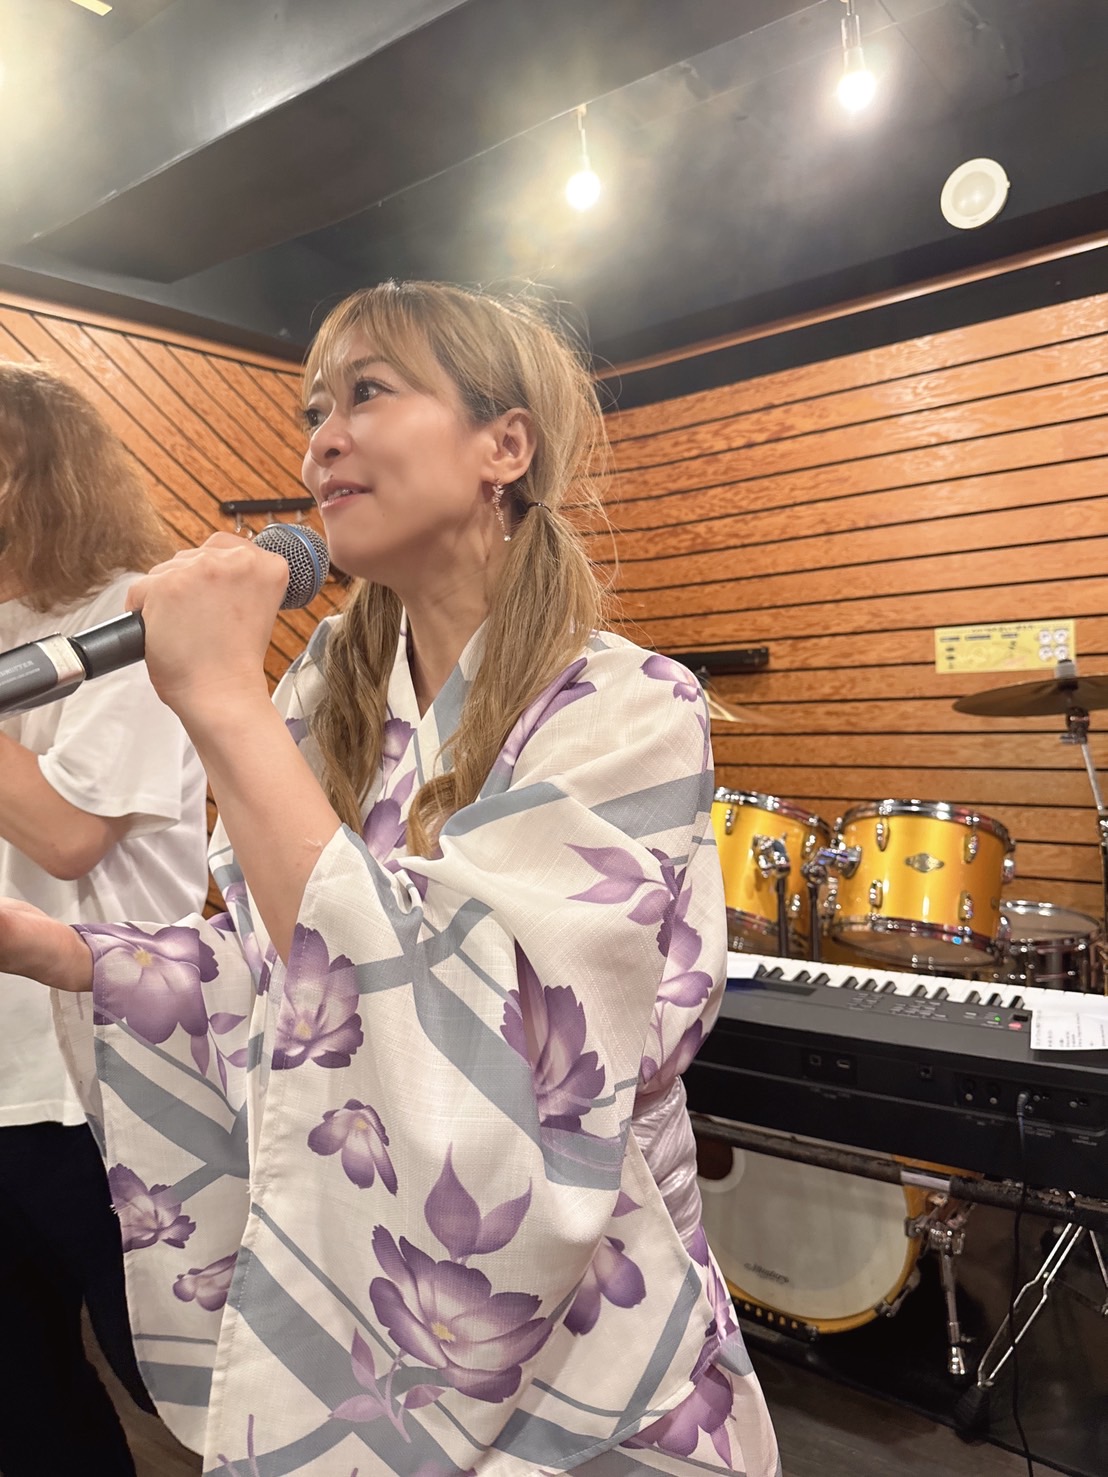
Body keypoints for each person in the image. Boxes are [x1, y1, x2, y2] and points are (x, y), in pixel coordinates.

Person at [0, 283, 780, 1476]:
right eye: (313, 410)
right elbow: (286, 976)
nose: (321, 440)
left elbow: (498, 1045)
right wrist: (54, 949)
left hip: (579, 1309)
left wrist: (217, 697)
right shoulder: (325, 697)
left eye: (367, 392)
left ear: (504, 446)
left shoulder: (629, 710)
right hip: (368, 1283)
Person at [0, 361, 210, 1475]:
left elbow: (67, 833)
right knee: (26, 1404)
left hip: (104, 1078)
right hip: (2, 1083)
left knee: (183, 1389)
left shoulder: (130, 618)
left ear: (41, 472)